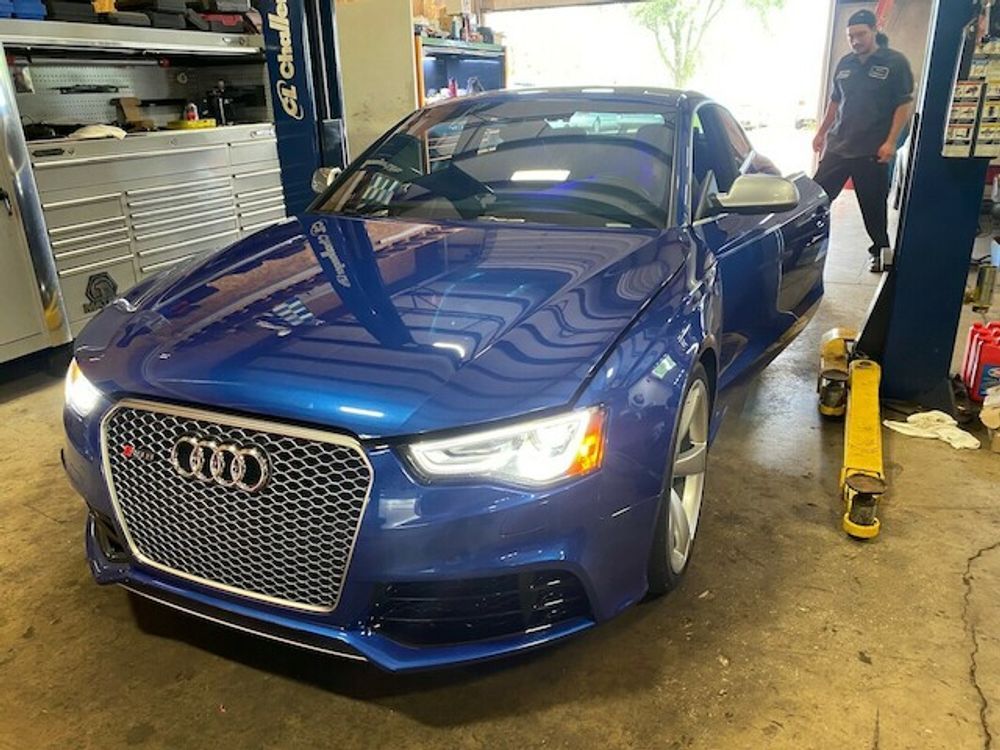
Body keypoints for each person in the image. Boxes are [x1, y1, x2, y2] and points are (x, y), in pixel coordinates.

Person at [812, 10, 915, 272]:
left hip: (871, 149)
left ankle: (880, 252)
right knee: (815, 199)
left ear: (874, 30)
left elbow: (903, 104)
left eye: (861, 34)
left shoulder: (895, 62)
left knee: (873, 206)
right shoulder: (845, 63)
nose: (855, 41)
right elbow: (835, 101)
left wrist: (891, 141)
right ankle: (805, 249)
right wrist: (821, 132)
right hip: (839, 146)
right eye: (850, 36)